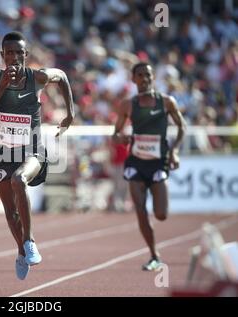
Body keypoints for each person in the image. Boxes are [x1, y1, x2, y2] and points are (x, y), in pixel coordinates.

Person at [0, 31, 74, 280]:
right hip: (0, 153)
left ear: (25, 55)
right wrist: (1, 88)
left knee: (19, 180)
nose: (14, 57)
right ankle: (20, 250)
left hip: (31, 151)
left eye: (19, 53)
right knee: (10, 211)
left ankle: (29, 241)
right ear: (2, 56)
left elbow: (62, 76)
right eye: (9, 53)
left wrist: (70, 113)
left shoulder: (37, 77)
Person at [112, 62, 186, 271]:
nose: (144, 79)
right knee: (141, 210)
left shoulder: (166, 102)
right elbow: (114, 135)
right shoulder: (128, 105)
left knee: (161, 214)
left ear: (153, 78)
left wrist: (175, 151)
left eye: (148, 75)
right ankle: (154, 255)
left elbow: (182, 126)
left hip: (157, 163)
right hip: (135, 163)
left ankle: (159, 195)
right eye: (140, 76)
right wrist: (122, 137)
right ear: (133, 79)